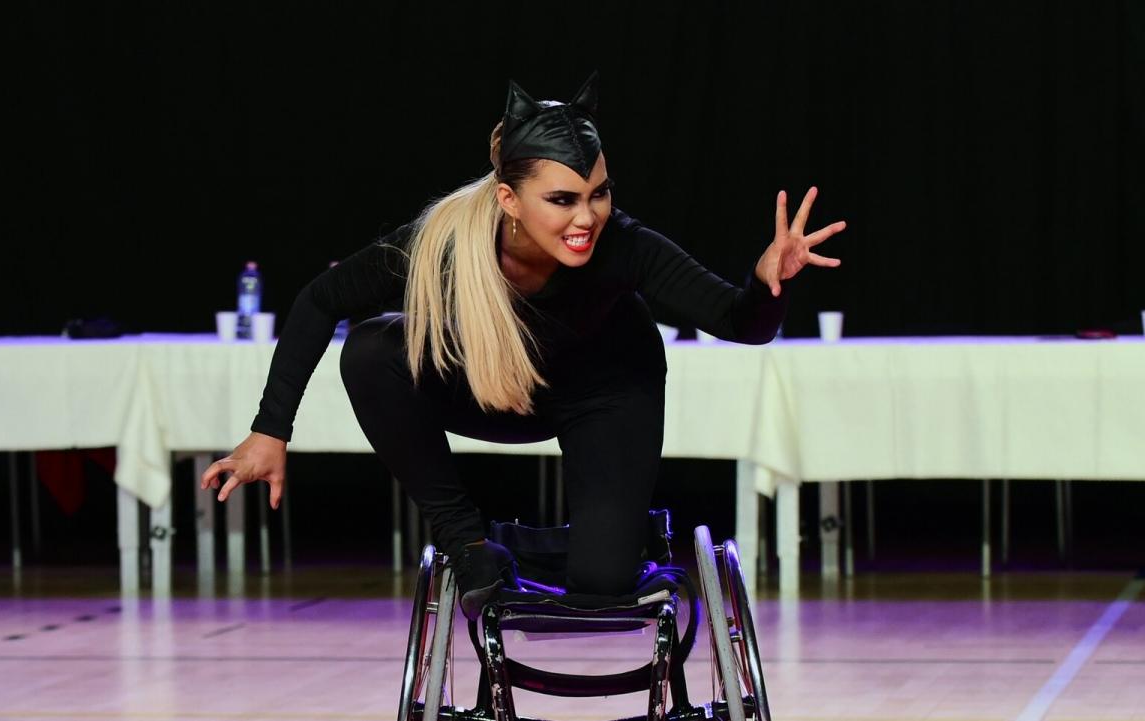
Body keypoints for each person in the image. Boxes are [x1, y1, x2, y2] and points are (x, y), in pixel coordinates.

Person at [201, 72, 846, 619]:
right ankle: (468, 543)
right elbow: (322, 298)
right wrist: (269, 430)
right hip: (497, 387)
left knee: (602, 584)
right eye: (562, 200)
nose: (586, 217)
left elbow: (742, 322)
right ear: (509, 198)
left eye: (599, 194)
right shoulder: (445, 243)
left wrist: (769, 285)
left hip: (606, 391)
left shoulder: (624, 245)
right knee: (372, 349)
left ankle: (600, 541)